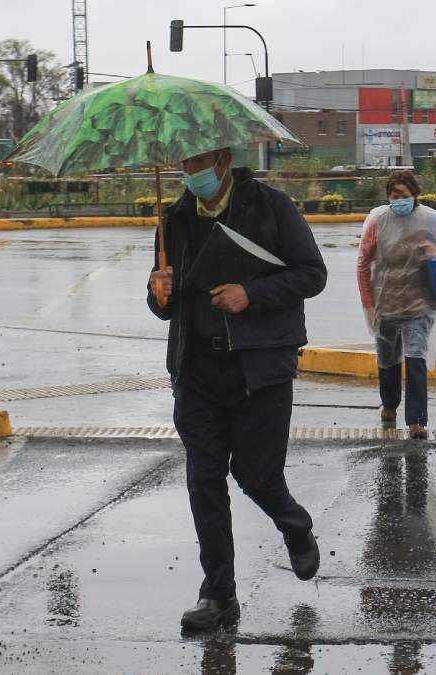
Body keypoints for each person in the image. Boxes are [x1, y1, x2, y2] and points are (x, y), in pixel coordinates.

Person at [147, 147, 327, 631]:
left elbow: (313, 274)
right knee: (204, 483)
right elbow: (166, 303)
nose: (190, 172)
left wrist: (252, 294)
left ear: (223, 159)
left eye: (197, 162)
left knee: (256, 476)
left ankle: (295, 526)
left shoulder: (271, 206)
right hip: (196, 371)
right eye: (183, 164)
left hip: (259, 369)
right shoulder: (174, 218)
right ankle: (219, 595)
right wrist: (157, 293)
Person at [356, 170, 436, 440]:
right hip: (385, 302)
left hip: (419, 306)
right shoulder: (378, 222)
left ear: (415, 195)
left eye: (404, 195)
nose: (399, 200)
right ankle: (389, 404)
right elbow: (363, 263)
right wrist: (368, 303)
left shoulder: (431, 221)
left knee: (415, 359)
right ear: (388, 197)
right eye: (394, 195)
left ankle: (417, 422)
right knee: (387, 360)